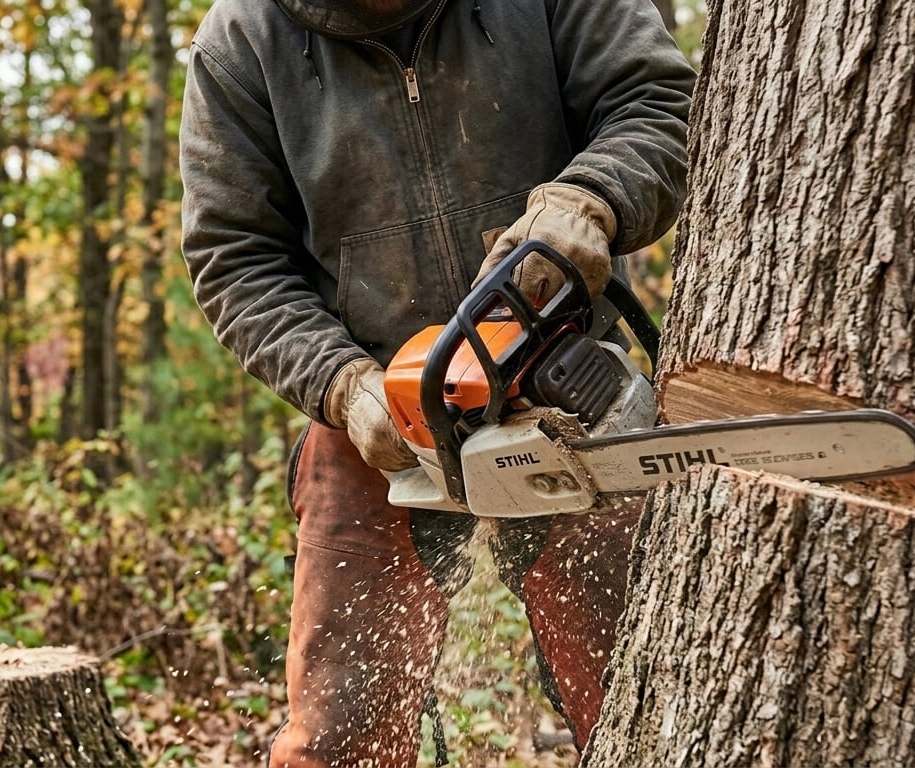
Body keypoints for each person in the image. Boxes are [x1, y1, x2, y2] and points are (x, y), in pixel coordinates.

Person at [180, 0, 694, 763]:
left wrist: (588, 198)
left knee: (641, 687)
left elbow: (656, 101)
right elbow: (236, 258)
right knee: (340, 724)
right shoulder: (243, 41)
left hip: (562, 373)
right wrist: (342, 384)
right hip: (382, 408)